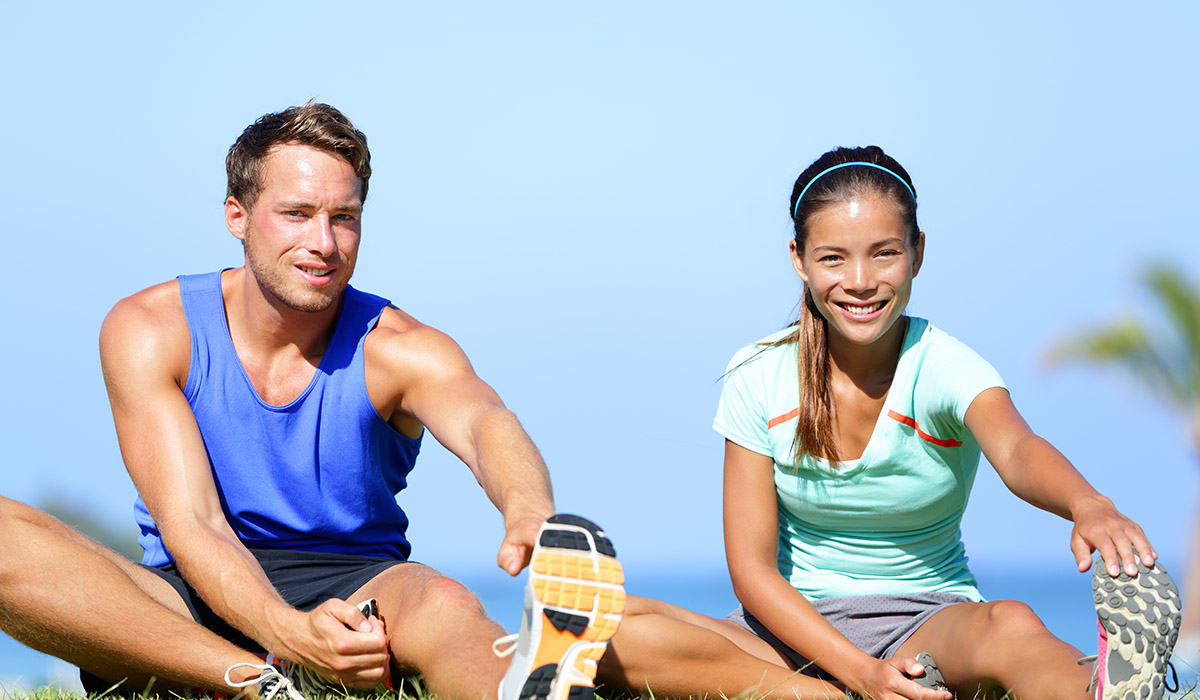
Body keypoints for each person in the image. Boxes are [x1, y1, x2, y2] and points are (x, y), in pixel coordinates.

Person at [0, 102, 624, 700]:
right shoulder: (151, 329)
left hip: (358, 592)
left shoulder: (402, 347)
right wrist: (289, 638)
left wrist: (529, 509)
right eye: (297, 214)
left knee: (446, 606)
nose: (324, 242)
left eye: (344, 217)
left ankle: (526, 687)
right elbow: (195, 526)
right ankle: (260, 681)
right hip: (189, 592)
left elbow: (486, 422)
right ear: (236, 217)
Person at [704, 146, 1182, 699]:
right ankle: (835, 692)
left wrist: (1088, 504)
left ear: (918, 252)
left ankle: (1100, 689)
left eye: (884, 254)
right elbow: (752, 572)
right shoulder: (759, 371)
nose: (860, 281)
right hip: (793, 629)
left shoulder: (947, 366)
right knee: (624, 626)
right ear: (799, 258)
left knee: (1010, 626)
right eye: (833, 258)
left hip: (925, 622)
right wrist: (859, 670)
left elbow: (1018, 448)